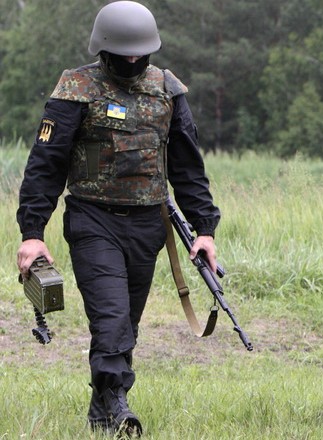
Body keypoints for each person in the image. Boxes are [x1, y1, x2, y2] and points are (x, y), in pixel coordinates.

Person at [15, 1, 220, 437]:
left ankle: (102, 411)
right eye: (122, 53)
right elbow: (46, 163)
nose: (131, 61)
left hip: (148, 224)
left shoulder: (167, 90)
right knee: (110, 318)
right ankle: (120, 405)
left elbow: (186, 166)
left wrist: (205, 229)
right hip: (93, 221)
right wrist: (32, 233)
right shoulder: (77, 88)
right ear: (103, 48)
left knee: (127, 322)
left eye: (138, 53)